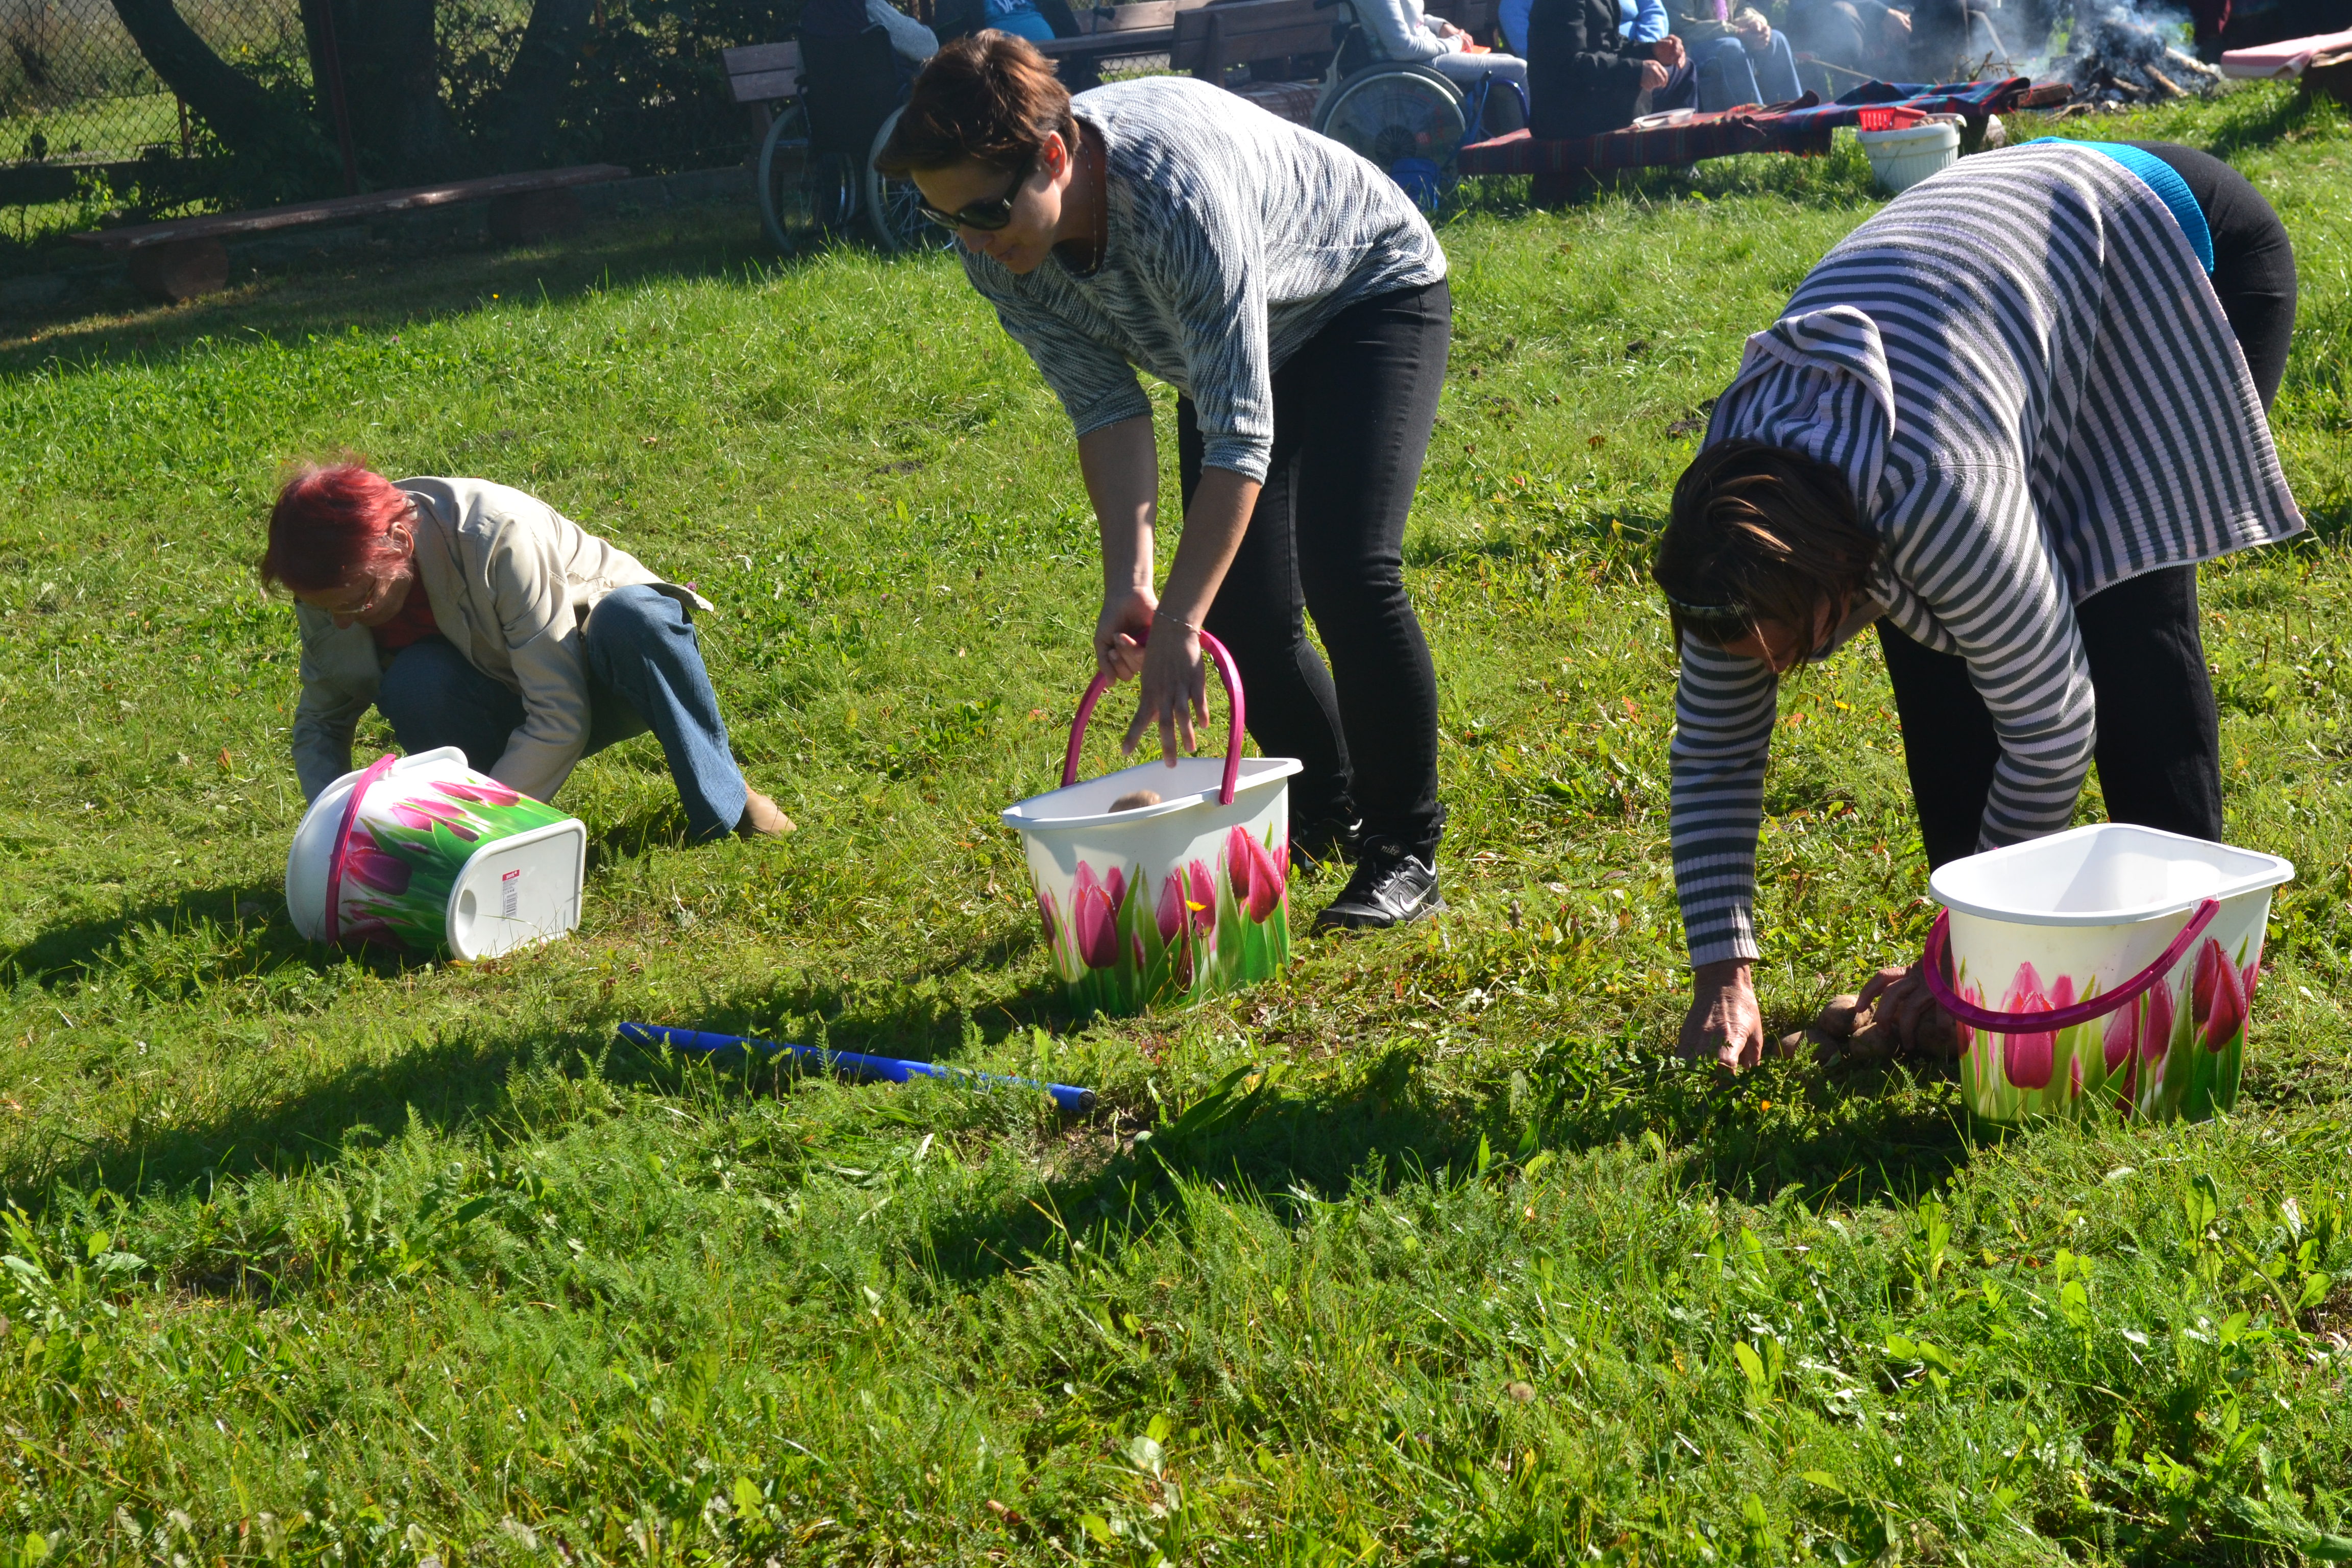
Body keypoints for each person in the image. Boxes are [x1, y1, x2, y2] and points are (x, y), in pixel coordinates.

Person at [1651, 141, 2301, 1068]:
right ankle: (1980, 972)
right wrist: (1721, 973)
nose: (1768, 672)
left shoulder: (1932, 491)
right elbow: (1715, 748)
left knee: (2126, 622)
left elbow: (2051, 723)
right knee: (1935, 633)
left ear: (1822, 583)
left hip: (2165, 242)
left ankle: (2185, 964)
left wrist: (1961, 947)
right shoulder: (1732, 531)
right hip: (1989, 309)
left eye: (1781, 650)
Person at [873, 35, 1454, 929]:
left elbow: (1240, 431)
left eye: (984, 212)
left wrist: (1179, 623)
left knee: (1348, 568)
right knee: (1242, 614)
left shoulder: (1176, 201)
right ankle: (1325, 808)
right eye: (943, 216)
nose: (972, 242)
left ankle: (1403, 848)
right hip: (1223, 345)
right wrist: (1135, 588)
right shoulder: (994, 247)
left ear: (1053, 157)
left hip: (1362, 293)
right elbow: (1107, 409)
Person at [266, 466, 792, 843]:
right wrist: (336, 834)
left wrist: (481, 831)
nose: (340, 621)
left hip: (603, 674)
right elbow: (322, 722)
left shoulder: (494, 534)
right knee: (415, 683)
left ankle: (729, 803)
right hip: (497, 695)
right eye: (326, 608)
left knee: (636, 617)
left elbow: (561, 714)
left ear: (400, 543)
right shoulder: (333, 582)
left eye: (358, 600)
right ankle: (483, 834)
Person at [1361, 0, 1532, 125]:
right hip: (1413, 64)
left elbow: (1410, 18)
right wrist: (1454, 44)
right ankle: (1529, 147)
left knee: (1509, 62)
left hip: (1427, 54)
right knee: (1518, 69)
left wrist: (1441, 26)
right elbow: (1402, 48)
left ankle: (1510, 143)